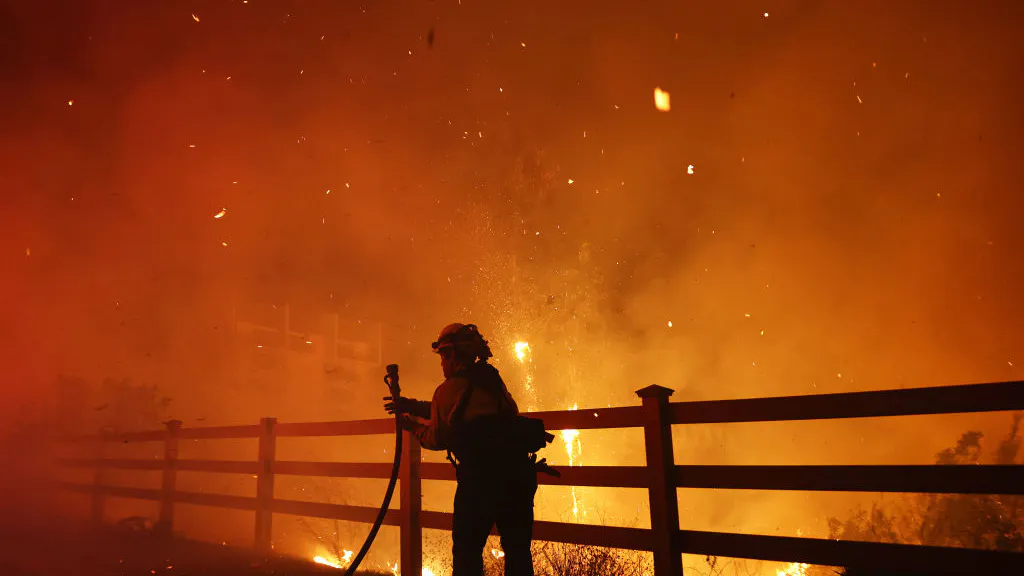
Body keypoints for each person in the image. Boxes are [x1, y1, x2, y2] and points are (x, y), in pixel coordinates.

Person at [384, 323, 537, 576]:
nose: (442, 363)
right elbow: (463, 411)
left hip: (480, 482)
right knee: (518, 551)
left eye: (443, 356)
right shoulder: (491, 379)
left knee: (467, 552)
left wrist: (411, 425)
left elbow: (437, 437)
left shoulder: (448, 389)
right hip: (518, 478)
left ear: (453, 355)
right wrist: (412, 405)